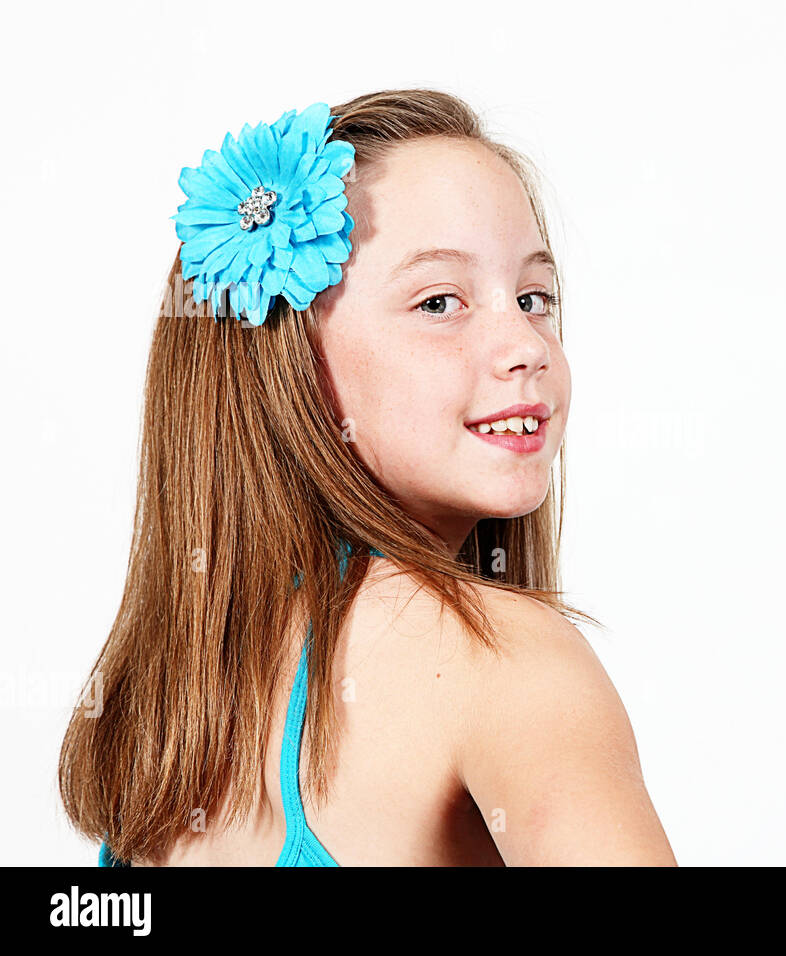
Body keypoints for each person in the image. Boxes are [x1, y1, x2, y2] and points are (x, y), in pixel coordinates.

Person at [59, 88, 677, 866]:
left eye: (533, 297)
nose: (525, 344)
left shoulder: (170, 711)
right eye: (440, 301)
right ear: (286, 366)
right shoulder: (505, 659)